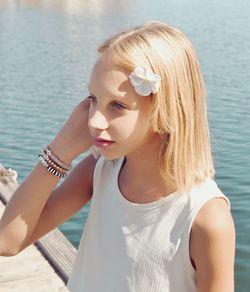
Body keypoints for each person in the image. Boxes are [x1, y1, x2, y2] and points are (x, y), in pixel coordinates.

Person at [0, 21, 235, 292]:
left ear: (168, 110)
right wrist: (59, 152)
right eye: (92, 99)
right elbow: (8, 241)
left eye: (118, 105)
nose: (94, 120)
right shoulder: (100, 169)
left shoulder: (206, 218)